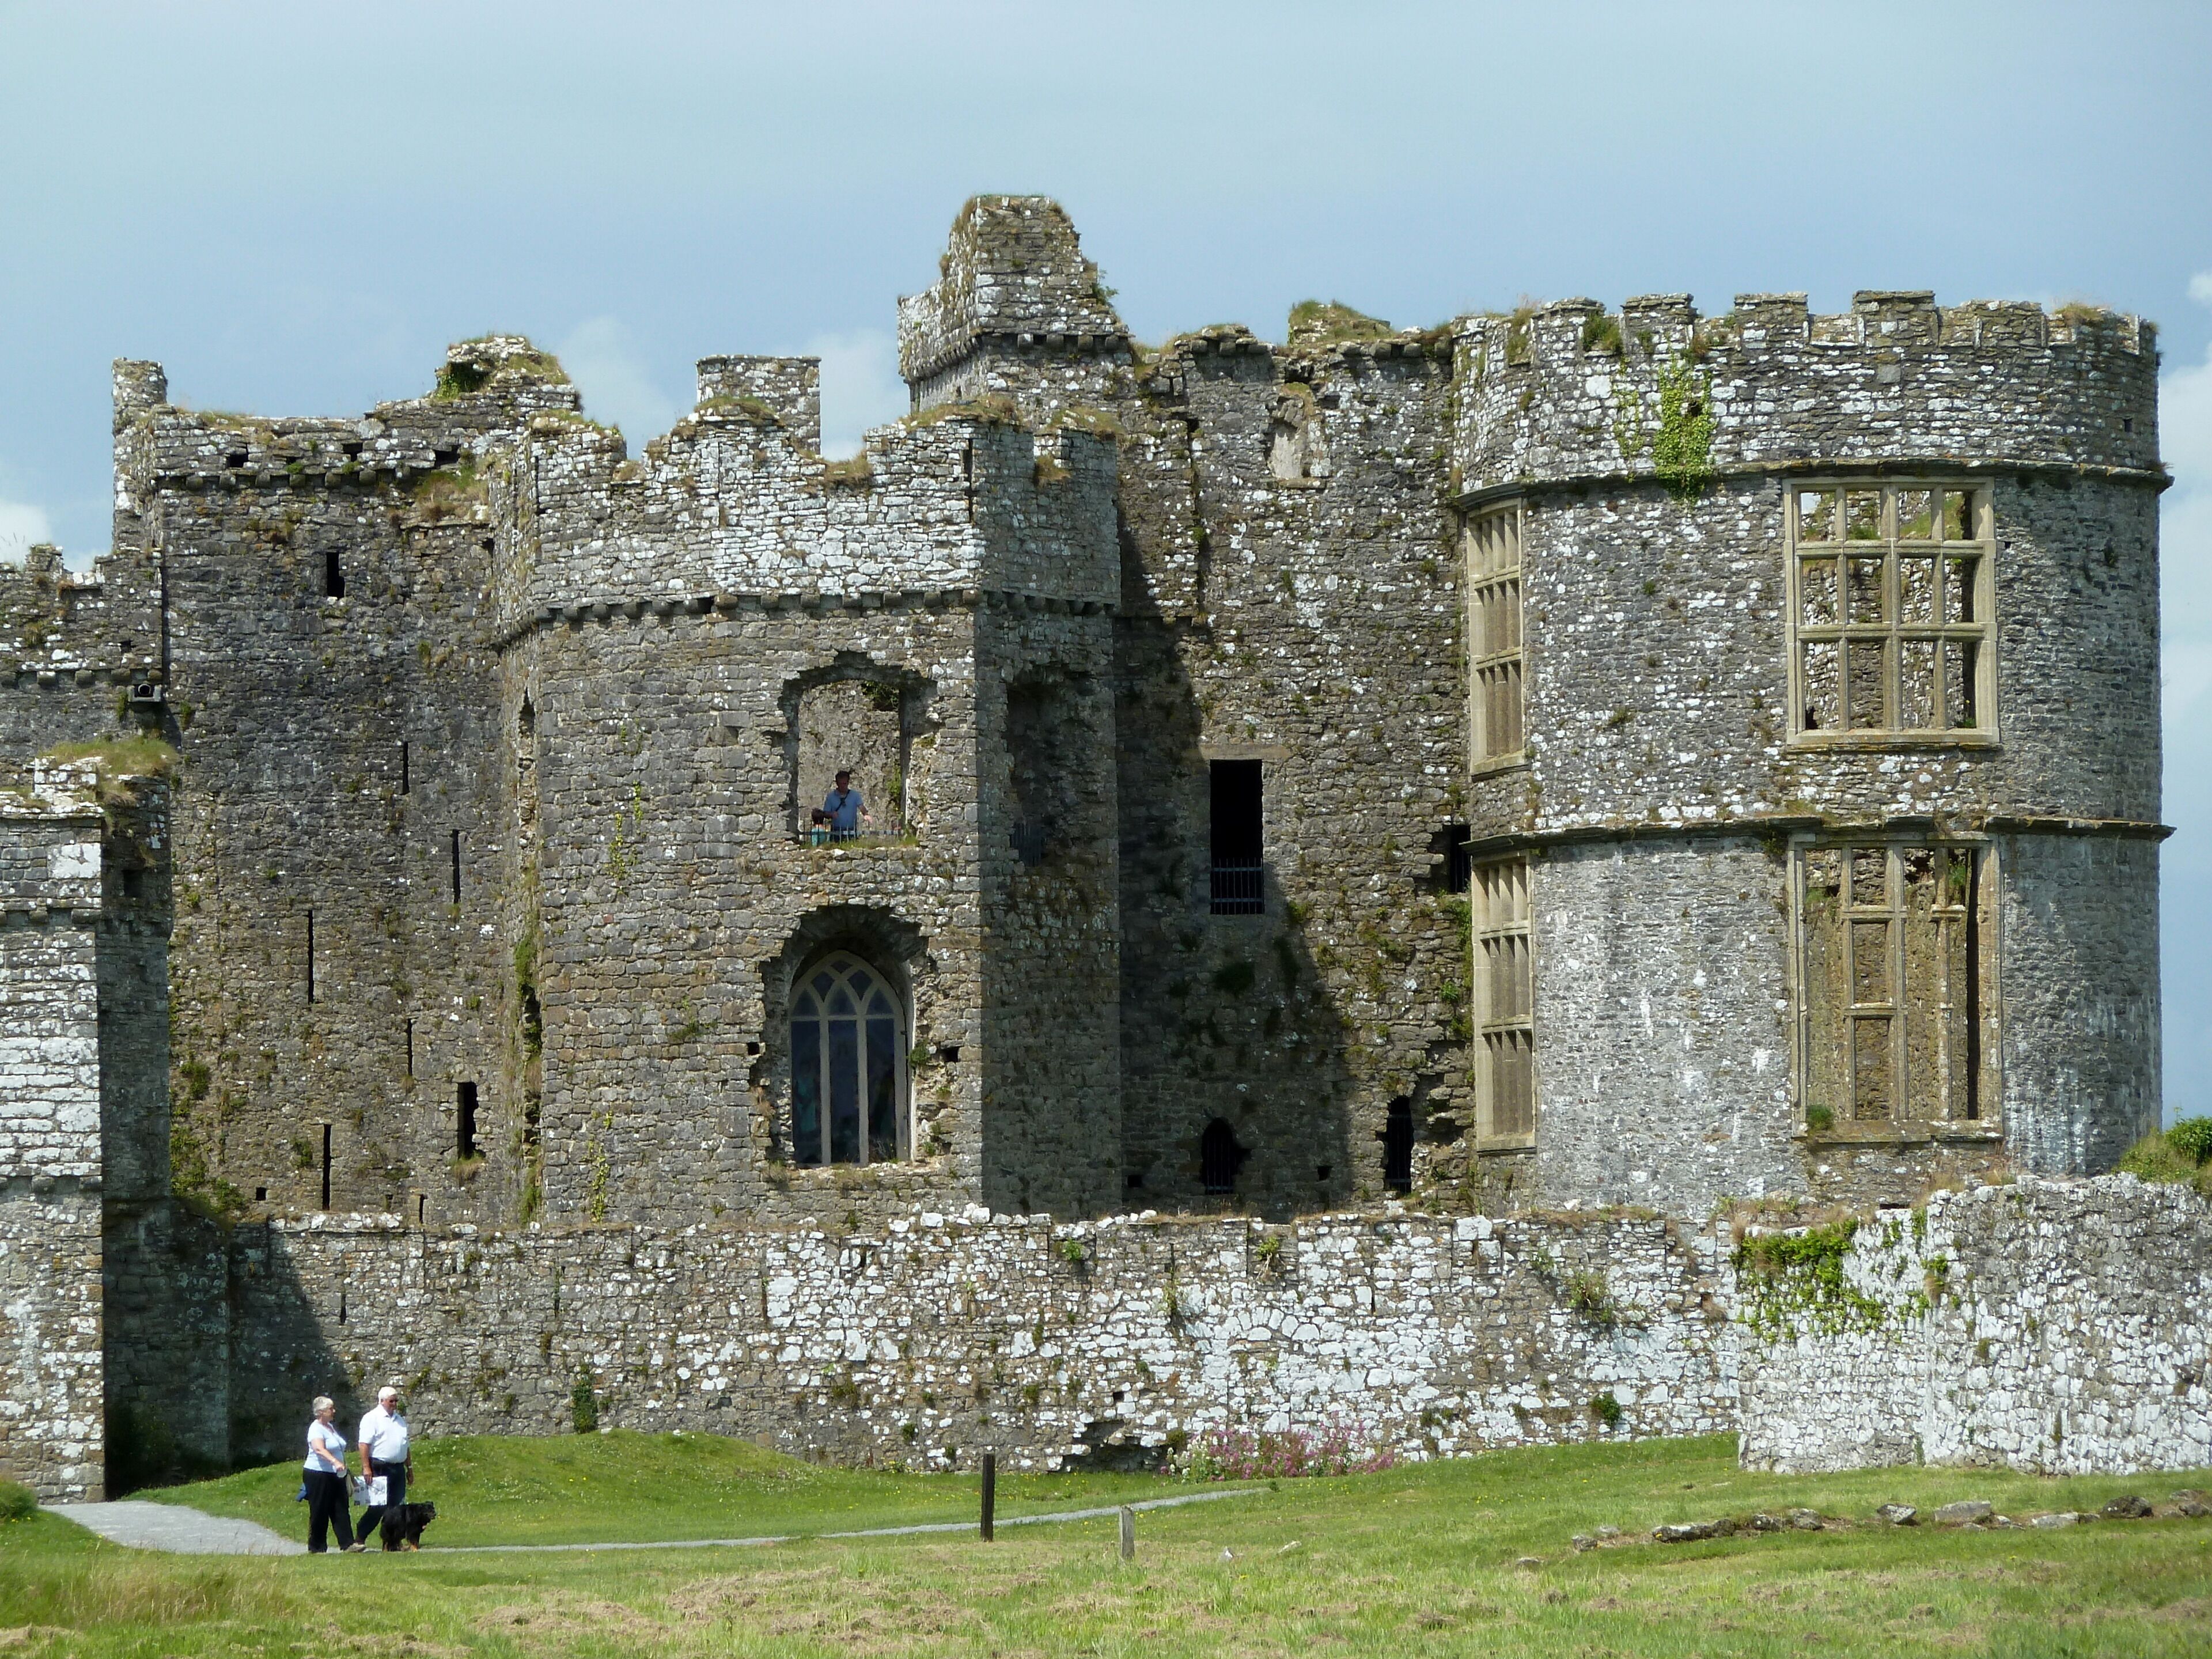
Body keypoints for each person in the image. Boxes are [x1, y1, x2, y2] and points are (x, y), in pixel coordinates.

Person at [355, 1384, 416, 1551]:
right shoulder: (372, 1418)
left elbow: (405, 1445)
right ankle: (360, 1536)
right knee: (378, 1505)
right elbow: (364, 1444)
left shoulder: (400, 1420)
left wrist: (409, 1467)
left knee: (397, 1507)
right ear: (382, 1401)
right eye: (392, 1401)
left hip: (397, 1468)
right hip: (380, 1466)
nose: (395, 1404)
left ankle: (394, 1541)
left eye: (396, 1401)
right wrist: (366, 1467)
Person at [302, 1396, 361, 1553]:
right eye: (331, 1409)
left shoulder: (330, 1427)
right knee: (320, 1509)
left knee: (341, 1507)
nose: (334, 1411)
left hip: (336, 1474)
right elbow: (319, 1449)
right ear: (321, 1412)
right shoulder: (316, 1428)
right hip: (318, 1474)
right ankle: (317, 1547)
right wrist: (335, 1461)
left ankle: (348, 1543)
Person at [813, 770, 871, 842]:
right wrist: (831, 815)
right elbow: (825, 813)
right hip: (836, 830)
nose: (843, 786)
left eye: (845, 783)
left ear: (848, 783)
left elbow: (861, 806)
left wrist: (865, 814)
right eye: (841, 784)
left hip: (851, 830)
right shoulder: (831, 797)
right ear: (837, 783)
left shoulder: (855, 795)